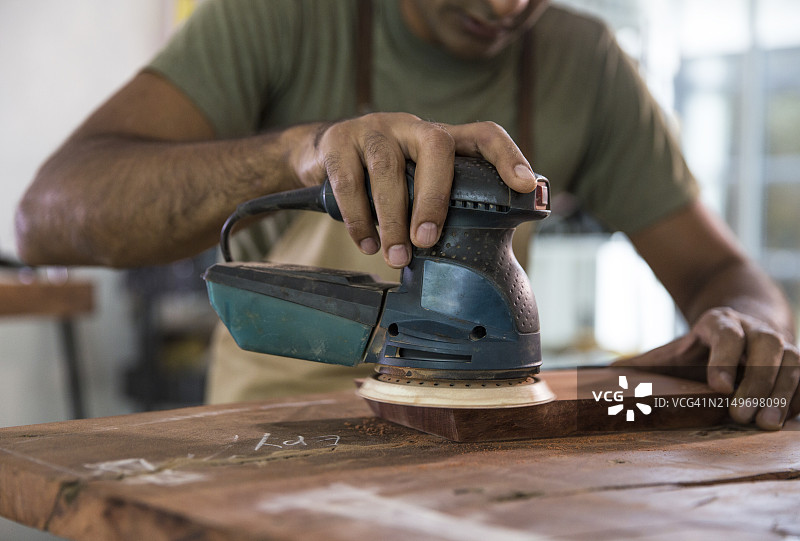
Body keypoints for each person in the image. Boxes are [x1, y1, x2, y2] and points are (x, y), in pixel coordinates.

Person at [15, 0, 798, 429]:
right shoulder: (279, 17)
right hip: (275, 438)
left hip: (483, 442)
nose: (504, 6)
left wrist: (746, 322)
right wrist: (298, 153)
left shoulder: (584, 60)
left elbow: (717, 269)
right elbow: (46, 216)